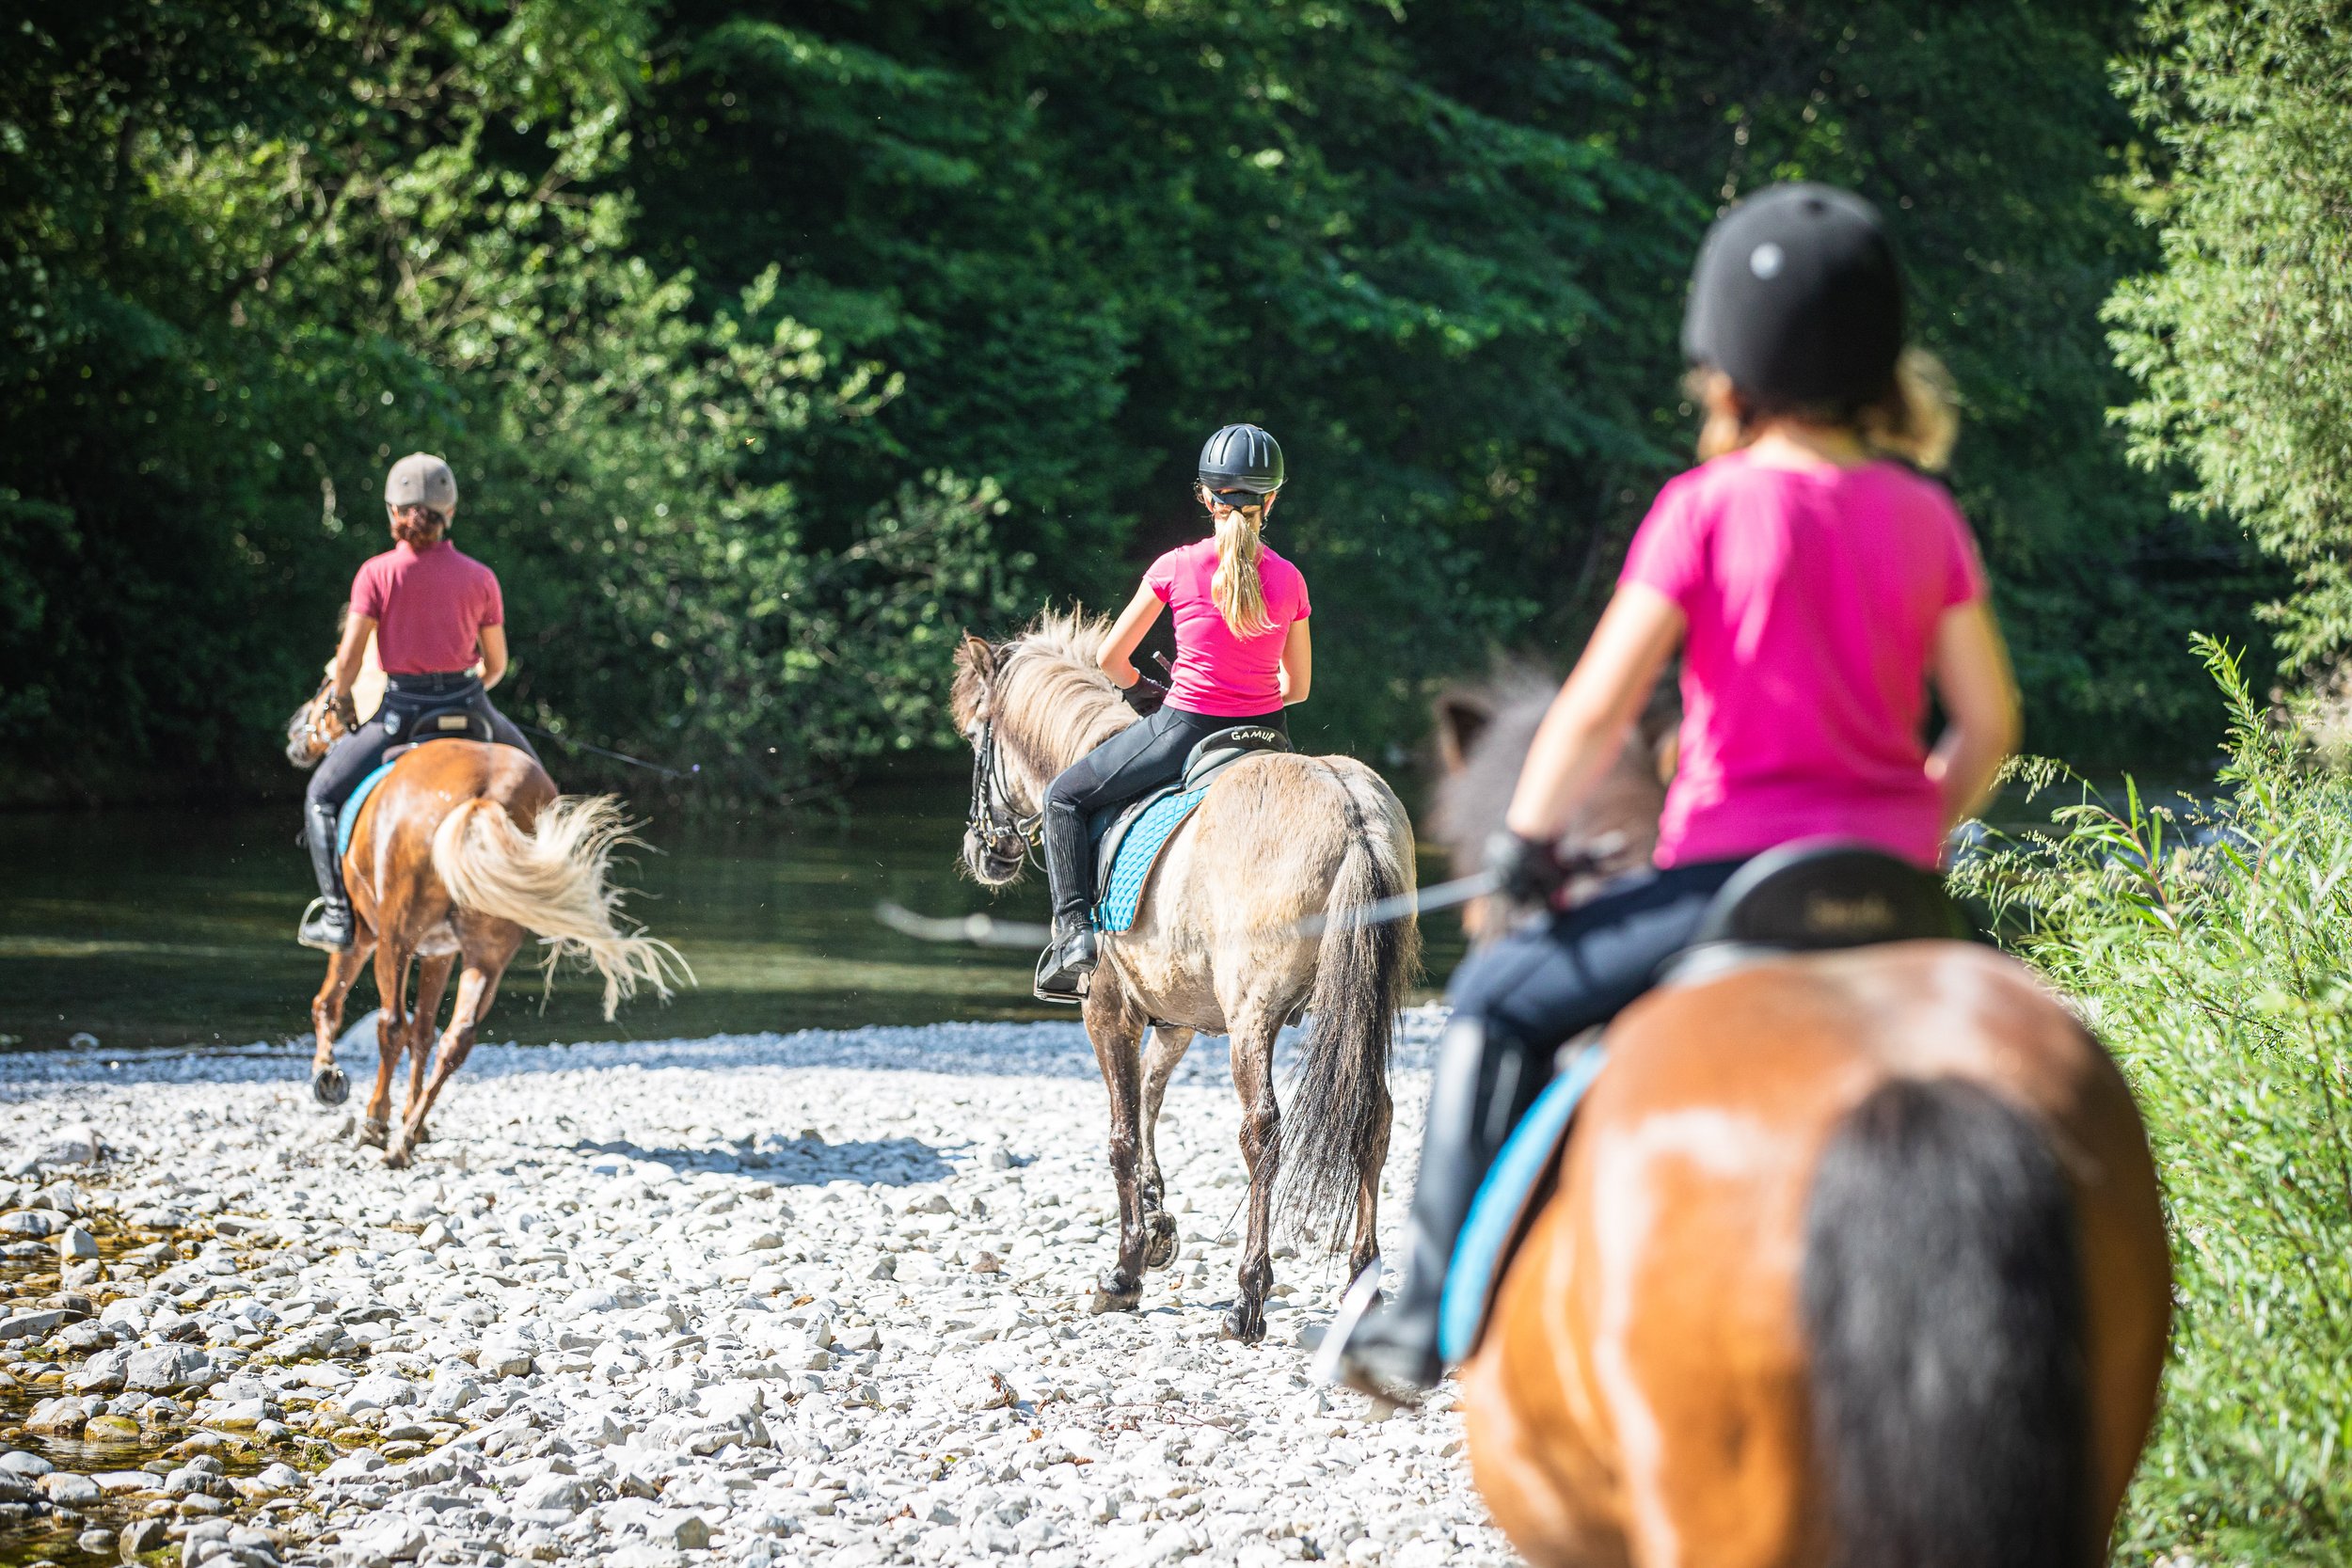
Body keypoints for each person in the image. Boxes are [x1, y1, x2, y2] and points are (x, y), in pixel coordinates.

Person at [1328, 182, 2023, 1392]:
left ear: (1730, 368)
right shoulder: (1925, 514)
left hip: (1725, 889)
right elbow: (1988, 723)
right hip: (1897, 896)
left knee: (1495, 1000)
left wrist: (1528, 841)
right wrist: (1914, 823)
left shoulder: (1702, 508)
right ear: (1875, 363)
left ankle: (1422, 1319)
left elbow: (1597, 708)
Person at [1033, 423, 1315, 999]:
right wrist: (1252, 695)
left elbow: (1112, 658)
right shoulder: (1289, 578)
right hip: (1269, 734)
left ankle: (1073, 940)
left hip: (1186, 730)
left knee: (1061, 797)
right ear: (1272, 501)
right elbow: (1300, 686)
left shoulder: (1176, 566)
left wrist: (1146, 692)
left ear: (1206, 497)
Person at [297, 453, 541, 952]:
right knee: (543, 791)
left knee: (321, 797)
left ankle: (340, 919)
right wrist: (464, 688)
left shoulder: (376, 574)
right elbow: (495, 666)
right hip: (473, 708)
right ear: (449, 513)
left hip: (399, 716)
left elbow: (348, 663)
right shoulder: (481, 577)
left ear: (393, 513)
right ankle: (544, 909)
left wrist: (341, 700)